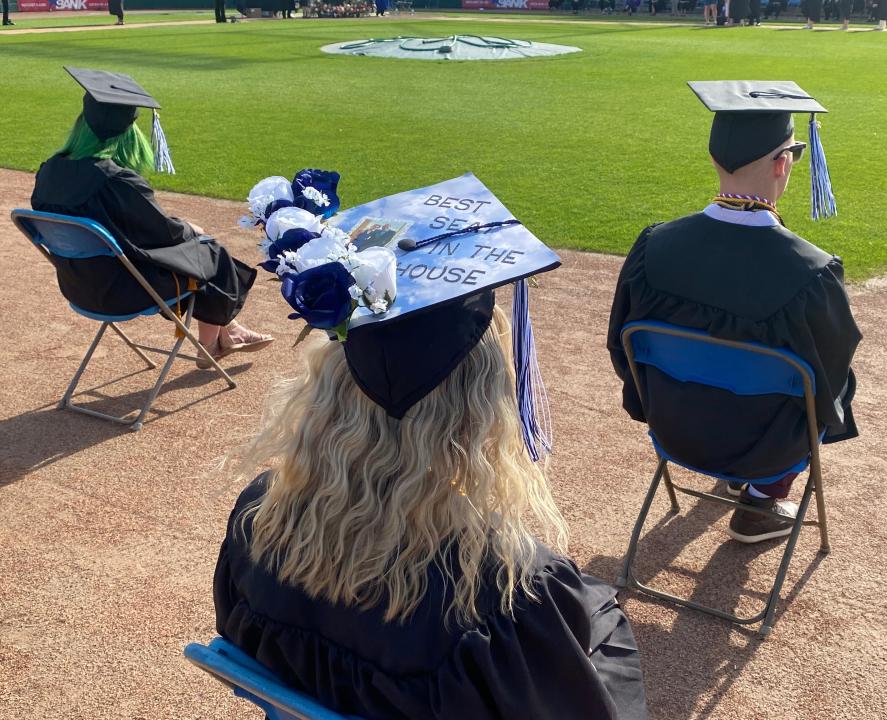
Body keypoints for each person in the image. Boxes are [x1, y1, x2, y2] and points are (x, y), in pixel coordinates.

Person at [215, 220, 648, 719]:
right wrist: (598, 613)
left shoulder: (259, 518)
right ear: (477, 416)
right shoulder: (504, 591)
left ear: (330, 388)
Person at [607, 81, 861, 544]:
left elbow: (622, 351)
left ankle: (733, 475)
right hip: (765, 448)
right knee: (833, 378)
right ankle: (762, 501)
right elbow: (829, 383)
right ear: (783, 163)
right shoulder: (812, 272)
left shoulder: (653, 247)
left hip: (674, 430)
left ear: (713, 159)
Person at [31, 68, 272, 367]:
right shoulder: (118, 181)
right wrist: (190, 228)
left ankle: (228, 333)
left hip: (79, 285)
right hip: (125, 290)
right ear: (128, 131)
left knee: (193, 254)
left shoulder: (49, 171)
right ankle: (211, 343)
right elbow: (165, 234)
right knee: (208, 250)